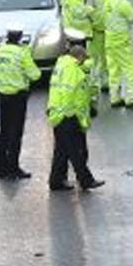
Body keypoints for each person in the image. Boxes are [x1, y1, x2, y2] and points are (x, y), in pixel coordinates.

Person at [47, 31, 104, 191]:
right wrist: (73, 115)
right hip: (67, 115)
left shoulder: (62, 64)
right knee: (76, 151)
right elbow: (71, 93)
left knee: (62, 150)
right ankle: (86, 180)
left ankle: (56, 181)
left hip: (57, 113)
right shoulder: (73, 70)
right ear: (79, 57)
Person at [0, 27, 41, 180]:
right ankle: (13, 168)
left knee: (3, 133)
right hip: (18, 97)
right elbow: (35, 75)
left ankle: (1, 169)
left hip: (3, 95)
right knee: (16, 134)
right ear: (20, 38)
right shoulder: (22, 53)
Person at [85, 0, 111, 93]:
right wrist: (95, 23)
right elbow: (88, 11)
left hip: (106, 30)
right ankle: (93, 84)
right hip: (95, 31)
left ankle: (106, 82)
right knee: (94, 59)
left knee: (107, 58)